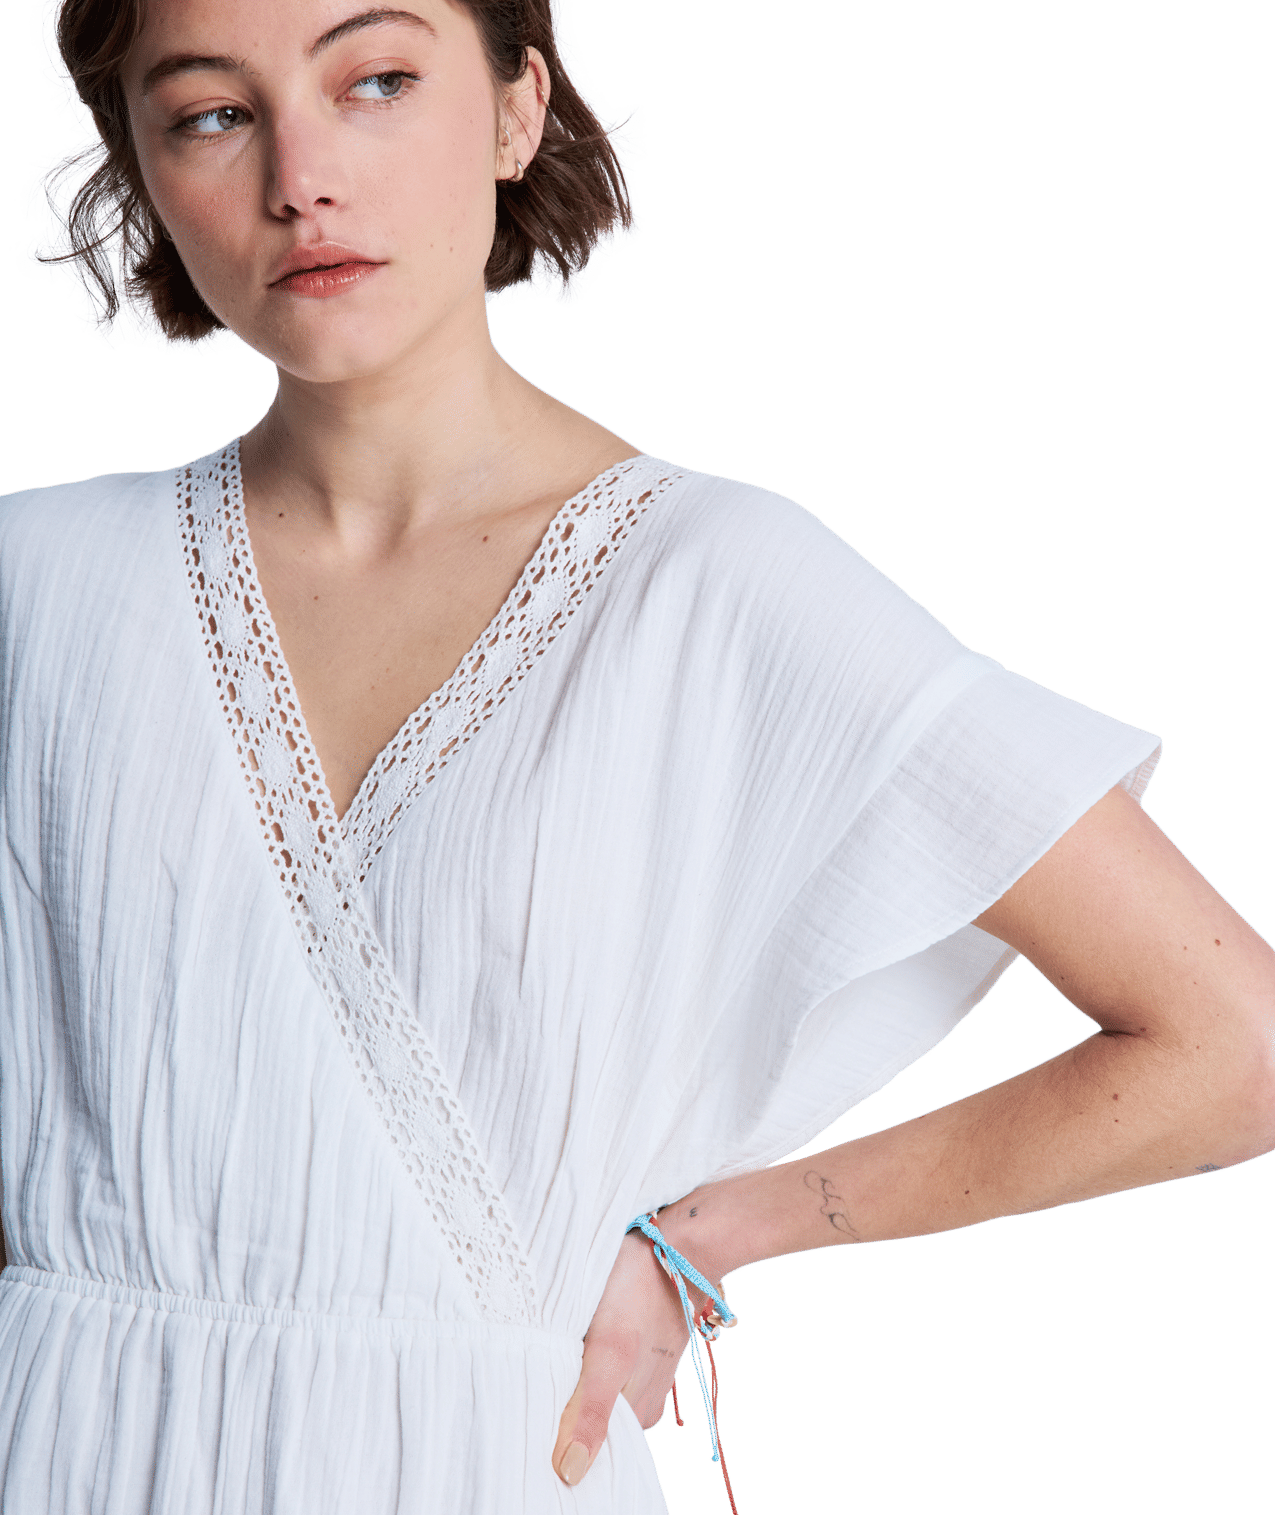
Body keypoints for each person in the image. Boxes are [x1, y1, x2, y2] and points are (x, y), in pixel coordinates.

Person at [1, 1, 1272, 1512]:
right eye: (213, 113)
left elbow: (1235, 1045)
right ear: (143, 164)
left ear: (516, 109)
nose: (301, 178)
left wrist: (719, 1231)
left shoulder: (717, 586)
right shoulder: (38, 583)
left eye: (378, 81)